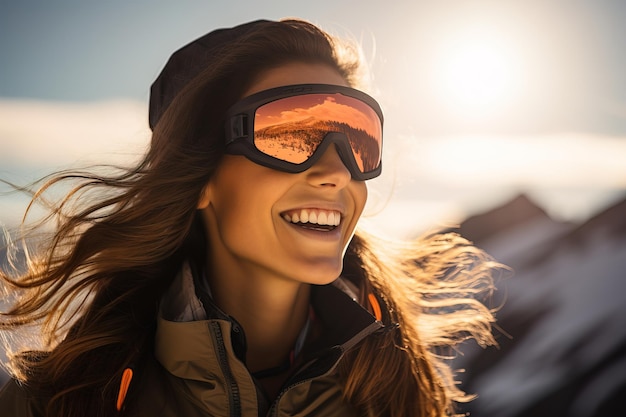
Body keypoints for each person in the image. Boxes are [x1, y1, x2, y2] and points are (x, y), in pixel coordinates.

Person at [0, 18, 499, 417]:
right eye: (291, 134)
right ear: (201, 178)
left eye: (357, 138)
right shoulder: (60, 402)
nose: (337, 172)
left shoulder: (397, 389)